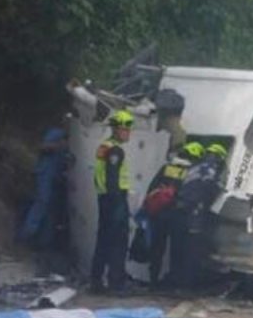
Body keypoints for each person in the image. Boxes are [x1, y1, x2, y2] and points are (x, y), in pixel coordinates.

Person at [141, 141, 202, 287]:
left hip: (159, 213)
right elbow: (191, 195)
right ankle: (176, 282)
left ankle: (153, 280)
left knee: (157, 248)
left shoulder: (166, 167)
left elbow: (152, 187)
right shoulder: (190, 171)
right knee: (178, 250)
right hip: (177, 214)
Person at [170, 142, 228, 289]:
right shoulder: (210, 170)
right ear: (218, 157)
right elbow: (209, 190)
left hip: (181, 212)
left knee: (179, 248)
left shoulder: (195, 168)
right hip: (195, 214)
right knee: (193, 250)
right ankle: (188, 284)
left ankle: (175, 280)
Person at [89, 109, 133, 294]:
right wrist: (119, 205)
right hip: (115, 199)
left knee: (104, 241)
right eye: (125, 129)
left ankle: (97, 281)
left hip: (105, 198)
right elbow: (112, 178)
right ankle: (116, 283)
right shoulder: (115, 150)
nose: (128, 133)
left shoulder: (104, 147)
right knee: (118, 242)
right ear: (116, 130)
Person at [21, 127, 73, 274]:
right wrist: (58, 146)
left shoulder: (68, 148)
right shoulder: (58, 134)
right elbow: (43, 147)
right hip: (46, 177)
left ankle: (45, 245)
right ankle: (28, 235)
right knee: (41, 205)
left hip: (55, 182)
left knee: (51, 214)